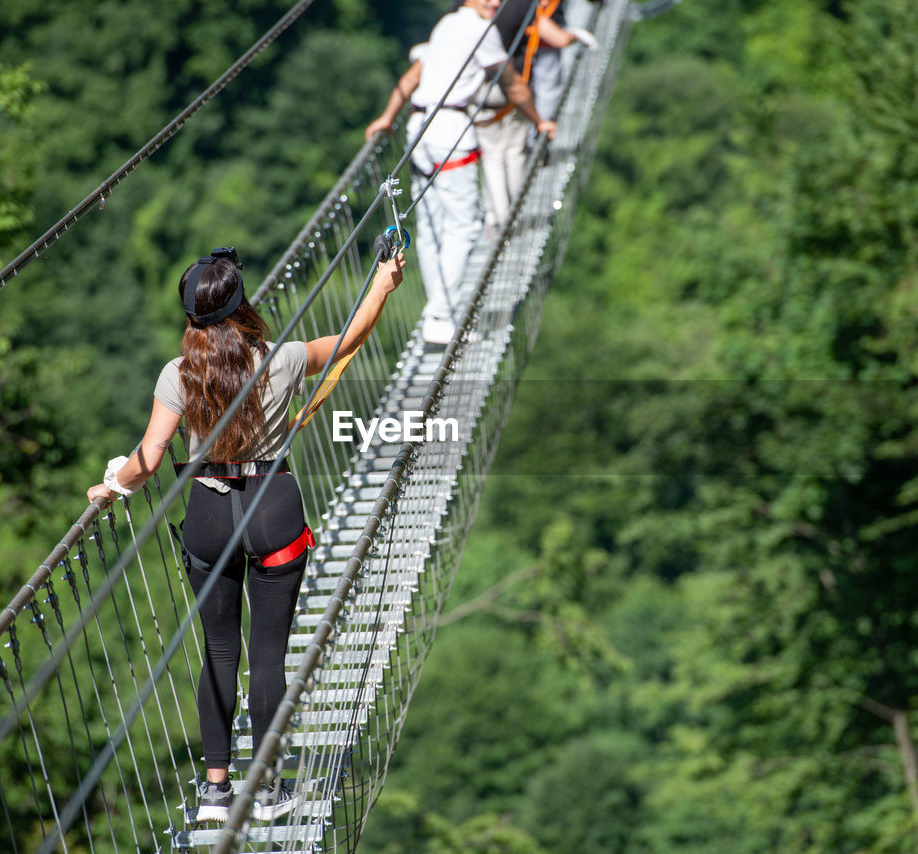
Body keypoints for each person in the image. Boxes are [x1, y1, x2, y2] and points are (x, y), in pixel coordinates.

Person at [86, 246, 405, 823]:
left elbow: (151, 456)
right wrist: (381, 285)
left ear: (190, 318)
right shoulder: (279, 359)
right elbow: (348, 341)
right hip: (274, 513)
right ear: (243, 307)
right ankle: (267, 789)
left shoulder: (177, 375)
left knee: (219, 651)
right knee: (268, 655)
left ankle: (214, 791)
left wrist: (114, 484)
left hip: (208, 522)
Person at [365, 0, 556, 345]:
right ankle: (440, 315)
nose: (495, 3)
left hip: (418, 130)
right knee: (463, 227)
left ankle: (436, 312)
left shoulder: (446, 25)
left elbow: (412, 76)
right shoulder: (482, 30)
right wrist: (540, 121)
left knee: (434, 225)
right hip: (450, 132)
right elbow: (513, 84)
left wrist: (388, 116)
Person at [475, 0, 596, 236]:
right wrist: (577, 35)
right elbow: (558, 38)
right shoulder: (522, 6)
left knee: (491, 158)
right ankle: (512, 218)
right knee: (515, 155)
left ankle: (496, 219)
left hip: (478, 99)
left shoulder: (469, 12)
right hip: (514, 94)